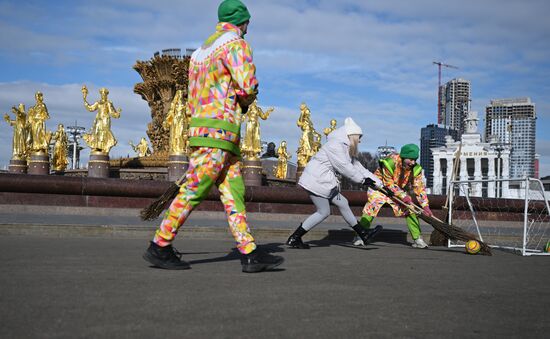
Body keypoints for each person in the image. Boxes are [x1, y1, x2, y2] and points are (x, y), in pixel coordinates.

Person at [143, 0, 284, 273]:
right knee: (194, 188)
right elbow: (248, 86)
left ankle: (250, 253)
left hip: (203, 130)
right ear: (242, 22)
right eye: (248, 23)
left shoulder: (200, 52)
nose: (248, 28)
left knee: (234, 193)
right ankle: (159, 245)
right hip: (219, 130)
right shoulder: (236, 44)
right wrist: (245, 101)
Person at [286, 117, 384, 249]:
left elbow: (358, 167)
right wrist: (362, 180)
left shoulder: (345, 147)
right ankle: (294, 238)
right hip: (316, 180)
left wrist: (378, 183)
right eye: (359, 137)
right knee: (323, 212)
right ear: (352, 135)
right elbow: (343, 167)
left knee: (342, 203)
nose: (360, 140)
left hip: (323, 181)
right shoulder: (335, 145)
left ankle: (363, 234)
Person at [357, 144, 432, 248]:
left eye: (415, 159)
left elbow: (419, 188)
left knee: (411, 209)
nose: (413, 163)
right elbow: (389, 183)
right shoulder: (390, 162)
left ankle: (417, 239)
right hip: (380, 188)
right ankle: (360, 236)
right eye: (410, 159)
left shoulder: (416, 169)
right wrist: (403, 196)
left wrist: (425, 205)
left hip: (397, 191)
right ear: (403, 157)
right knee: (372, 206)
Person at [81, 86, 121, 154]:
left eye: (104, 94)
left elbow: (111, 112)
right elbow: (91, 108)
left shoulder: (108, 103)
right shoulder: (98, 102)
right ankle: (97, 147)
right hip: (98, 119)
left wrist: (117, 114)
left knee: (105, 132)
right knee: (96, 132)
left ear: (106, 95)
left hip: (105, 119)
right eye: (102, 94)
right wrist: (85, 99)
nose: (103, 95)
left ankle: (106, 146)